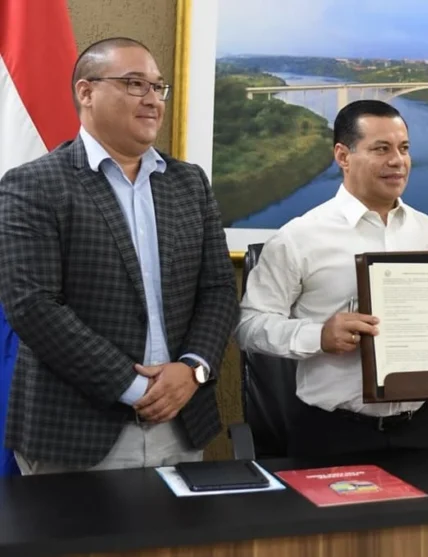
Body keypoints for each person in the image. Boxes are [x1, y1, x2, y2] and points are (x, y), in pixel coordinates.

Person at [0, 37, 238, 474]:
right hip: (75, 432)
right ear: (86, 92)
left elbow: (219, 288)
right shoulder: (33, 184)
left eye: (158, 87)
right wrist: (133, 387)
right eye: (134, 84)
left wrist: (193, 369)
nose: (152, 99)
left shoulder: (189, 183)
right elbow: (32, 305)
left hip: (182, 422)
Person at [236, 100, 428, 457]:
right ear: (343, 156)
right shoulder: (300, 237)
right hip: (335, 432)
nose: (397, 161)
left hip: (421, 428)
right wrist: (319, 336)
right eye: (381, 149)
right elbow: (249, 326)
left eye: (404, 148)